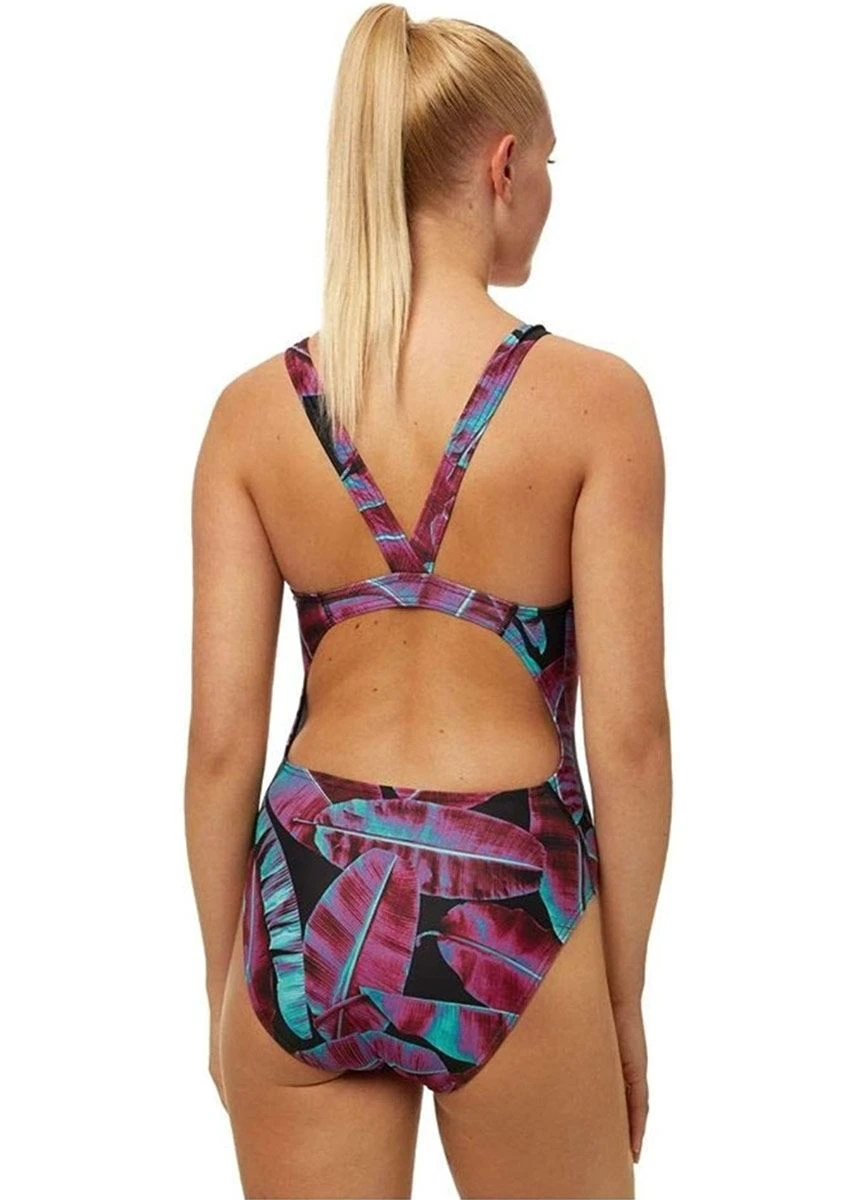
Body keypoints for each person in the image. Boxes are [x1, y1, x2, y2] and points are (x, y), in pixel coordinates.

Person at [185, 5, 671, 1197]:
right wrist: (619, 997)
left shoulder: (252, 416)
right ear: (502, 165)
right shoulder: (594, 403)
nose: (547, 191)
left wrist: (224, 982)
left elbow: (219, 748)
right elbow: (630, 739)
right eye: (547, 163)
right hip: (506, 898)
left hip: (304, 896)